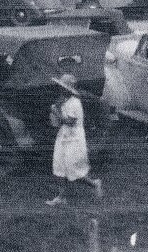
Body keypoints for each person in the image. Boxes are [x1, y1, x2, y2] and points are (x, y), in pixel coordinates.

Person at [46, 74, 102, 206]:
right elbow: (60, 122)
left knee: (73, 168)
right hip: (64, 135)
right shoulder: (64, 100)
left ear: (68, 89)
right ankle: (61, 197)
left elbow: (70, 122)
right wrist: (55, 112)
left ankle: (95, 183)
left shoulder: (75, 102)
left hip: (74, 137)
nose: (60, 89)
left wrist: (56, 113)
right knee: (60, 166)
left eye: (62, 87)